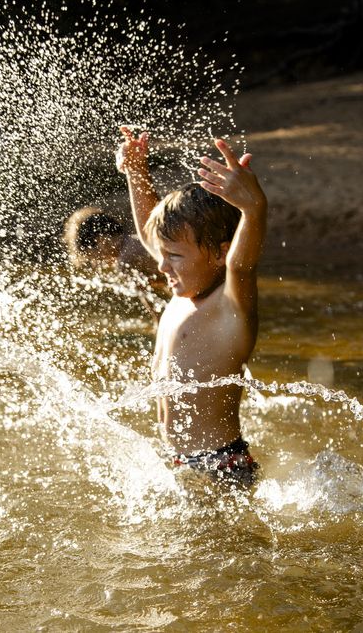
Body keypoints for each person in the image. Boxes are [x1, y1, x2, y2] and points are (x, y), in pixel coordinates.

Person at [115, 127, 267, 486]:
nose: (162, 266)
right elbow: (154, 237)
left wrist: (254, 208)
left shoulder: (228, 307)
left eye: (175, 257)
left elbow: (242, 265)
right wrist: (136, 173)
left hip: (221, 467)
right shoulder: (183, 289)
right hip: (181, 461)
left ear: (220, 253)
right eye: (163, 254)